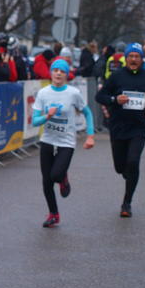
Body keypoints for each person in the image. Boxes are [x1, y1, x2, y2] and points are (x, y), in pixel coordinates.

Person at [96, 43, 145, 217]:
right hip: (118, 127)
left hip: (138, 128)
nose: (133, 59)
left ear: (141, 59)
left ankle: (127, 203)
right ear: (126, 58)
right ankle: (128, 174)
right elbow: (100, 96)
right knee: (120, 167)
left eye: (137, 56)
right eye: (131, 56)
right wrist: (114, 99)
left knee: (133, 161)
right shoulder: (117, 76)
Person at [32, 59, 95, 227]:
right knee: (47, 181)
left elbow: (88, 113)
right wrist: (47, 116)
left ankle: (63, 178)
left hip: (66, 142)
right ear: (51, 73)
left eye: (62, 71)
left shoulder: (73, 93)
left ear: (66, 75)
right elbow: (35, 121)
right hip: (47, 140)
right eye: (55, 70)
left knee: (56, 175)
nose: (58, 73)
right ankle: (54, 214)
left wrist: (90, 135)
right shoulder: (43, 93)